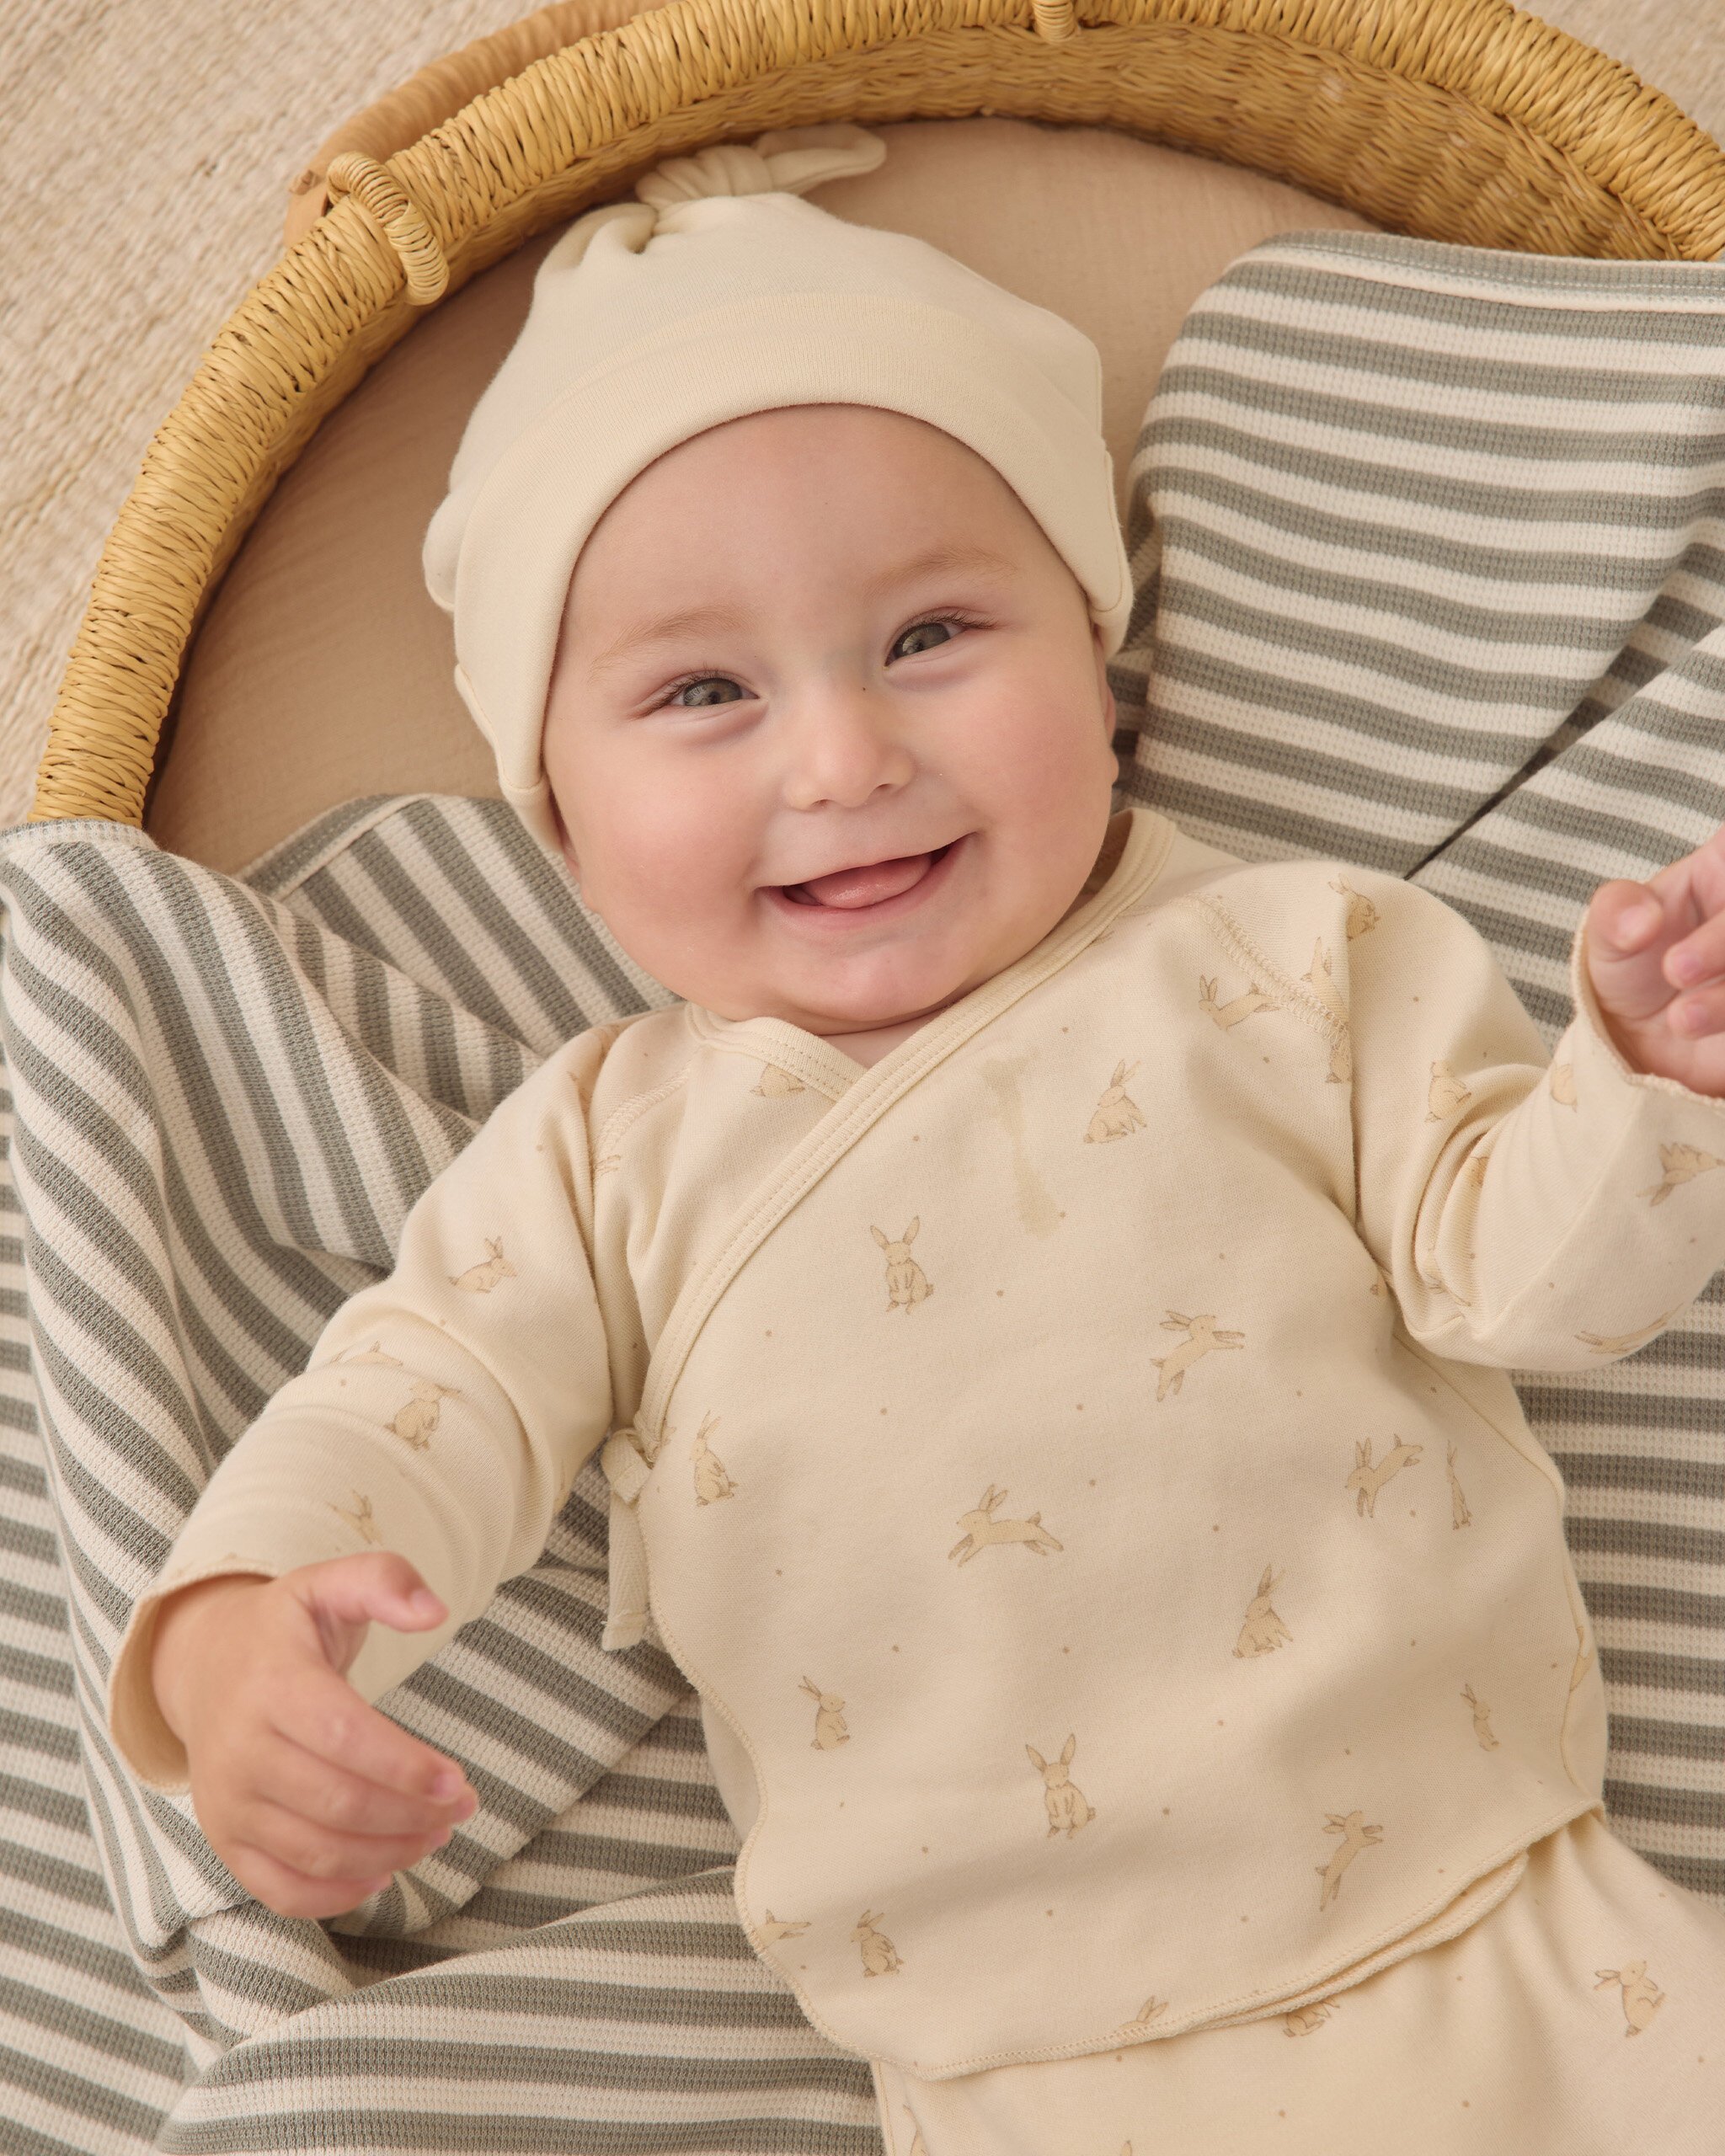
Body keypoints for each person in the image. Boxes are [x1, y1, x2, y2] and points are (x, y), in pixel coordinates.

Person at [108, 125, 1725, 2153]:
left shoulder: (1290, 960)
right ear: (560, 822)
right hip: (1025, 2066)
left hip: (1500, 1921)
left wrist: (1642, 1073)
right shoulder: (602, 1158)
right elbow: (410, 1398)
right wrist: (242, 1627)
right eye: (702, 690)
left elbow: (1530, 1278)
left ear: (1096, 660)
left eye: (931, 637)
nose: (843, 754)